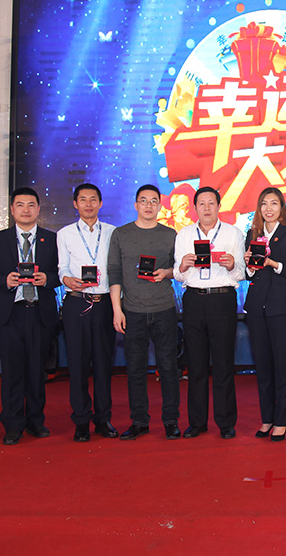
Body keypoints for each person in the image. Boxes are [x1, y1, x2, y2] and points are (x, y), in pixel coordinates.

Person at [0, 187, 60, 445]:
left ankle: (36, 422)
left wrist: (47, 279)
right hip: (10, 315)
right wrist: (4, 280)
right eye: (20, 205)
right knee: (12, 372)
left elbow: (61, 273)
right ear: (12, 209)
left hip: (40, 313)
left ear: (38, 209)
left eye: (30, 205)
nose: (25, 210)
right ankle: (13, 424)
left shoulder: (51, 239)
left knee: (37, 372)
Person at [108, 184, 181, 440]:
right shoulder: (120, 234)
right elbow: (114, 273)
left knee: (168, 367)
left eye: (153, 201)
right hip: (132, 310)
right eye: (143, 200)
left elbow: (180, 269)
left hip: (164, 309)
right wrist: (117, 310)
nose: (148, 205)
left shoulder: (170, 234)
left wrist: (167, 272)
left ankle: (171, 420)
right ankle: (139, 421)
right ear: (135, 205)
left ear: (160, 205)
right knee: (135, 369)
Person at [174, 187, 245, 439]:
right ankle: (197, 422)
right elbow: (178, 274)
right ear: (195, 208)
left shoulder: (233, 233)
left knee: (224, 363)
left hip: (222, 299)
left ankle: (226, 422)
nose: (206, 208)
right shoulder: (184, 234)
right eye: (201, 204)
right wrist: (183, 266)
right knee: (196, 365)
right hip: (193, 300)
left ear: (218, 206)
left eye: (211, 203)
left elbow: (242, 273)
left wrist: (232, 265)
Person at [243, 187, 286, 442]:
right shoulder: (253, 234)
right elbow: (248, 273)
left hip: (282, 308)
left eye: (274, 204)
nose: (268, 209)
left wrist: (272, 263)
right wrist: (250, 265)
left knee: (282, 366)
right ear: (259, 208)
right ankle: (267, 418)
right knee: (263, 367)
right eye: (264, 204)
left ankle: (281, 421)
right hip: (256, 307)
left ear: (282, 208)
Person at [57, 183, 118, 442]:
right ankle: (81, 420)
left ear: (100, 203)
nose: (88, 204)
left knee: (104, 365)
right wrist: (66, 279)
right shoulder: (65, 234)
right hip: (76, 302)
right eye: (83, 199)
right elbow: (61, 267)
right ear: (75, 204)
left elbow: (117, 268)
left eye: (93, 199)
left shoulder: (113, 232)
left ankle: (103, 419)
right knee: (77, 364)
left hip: (104, 304)